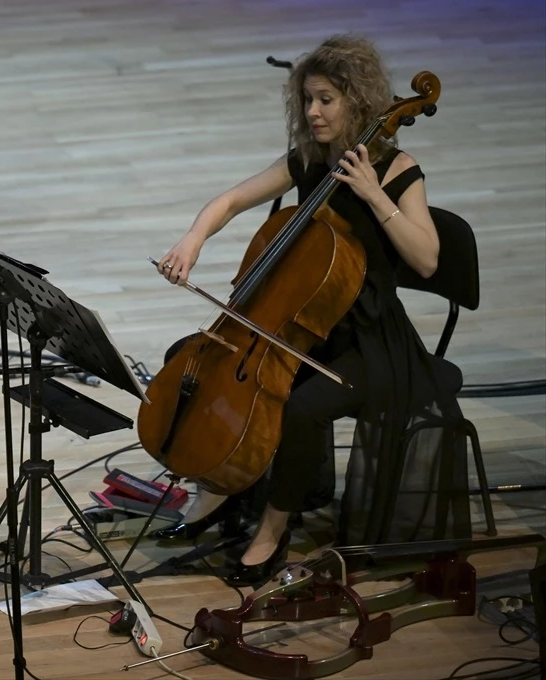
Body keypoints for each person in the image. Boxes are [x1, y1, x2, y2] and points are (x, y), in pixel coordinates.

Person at [146, 34, 471, 587]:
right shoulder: (309, 160)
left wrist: (374, 195)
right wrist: (193, 239)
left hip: (371, 342)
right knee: (194, 359)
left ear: (358, 101)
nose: (313, 112)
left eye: (326, 100)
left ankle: (272, 532)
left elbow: (426, 258)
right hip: (302, 330)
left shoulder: (398, 170)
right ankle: (221, 489)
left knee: (300, 409)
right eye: (307, 100)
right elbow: (230, 201)